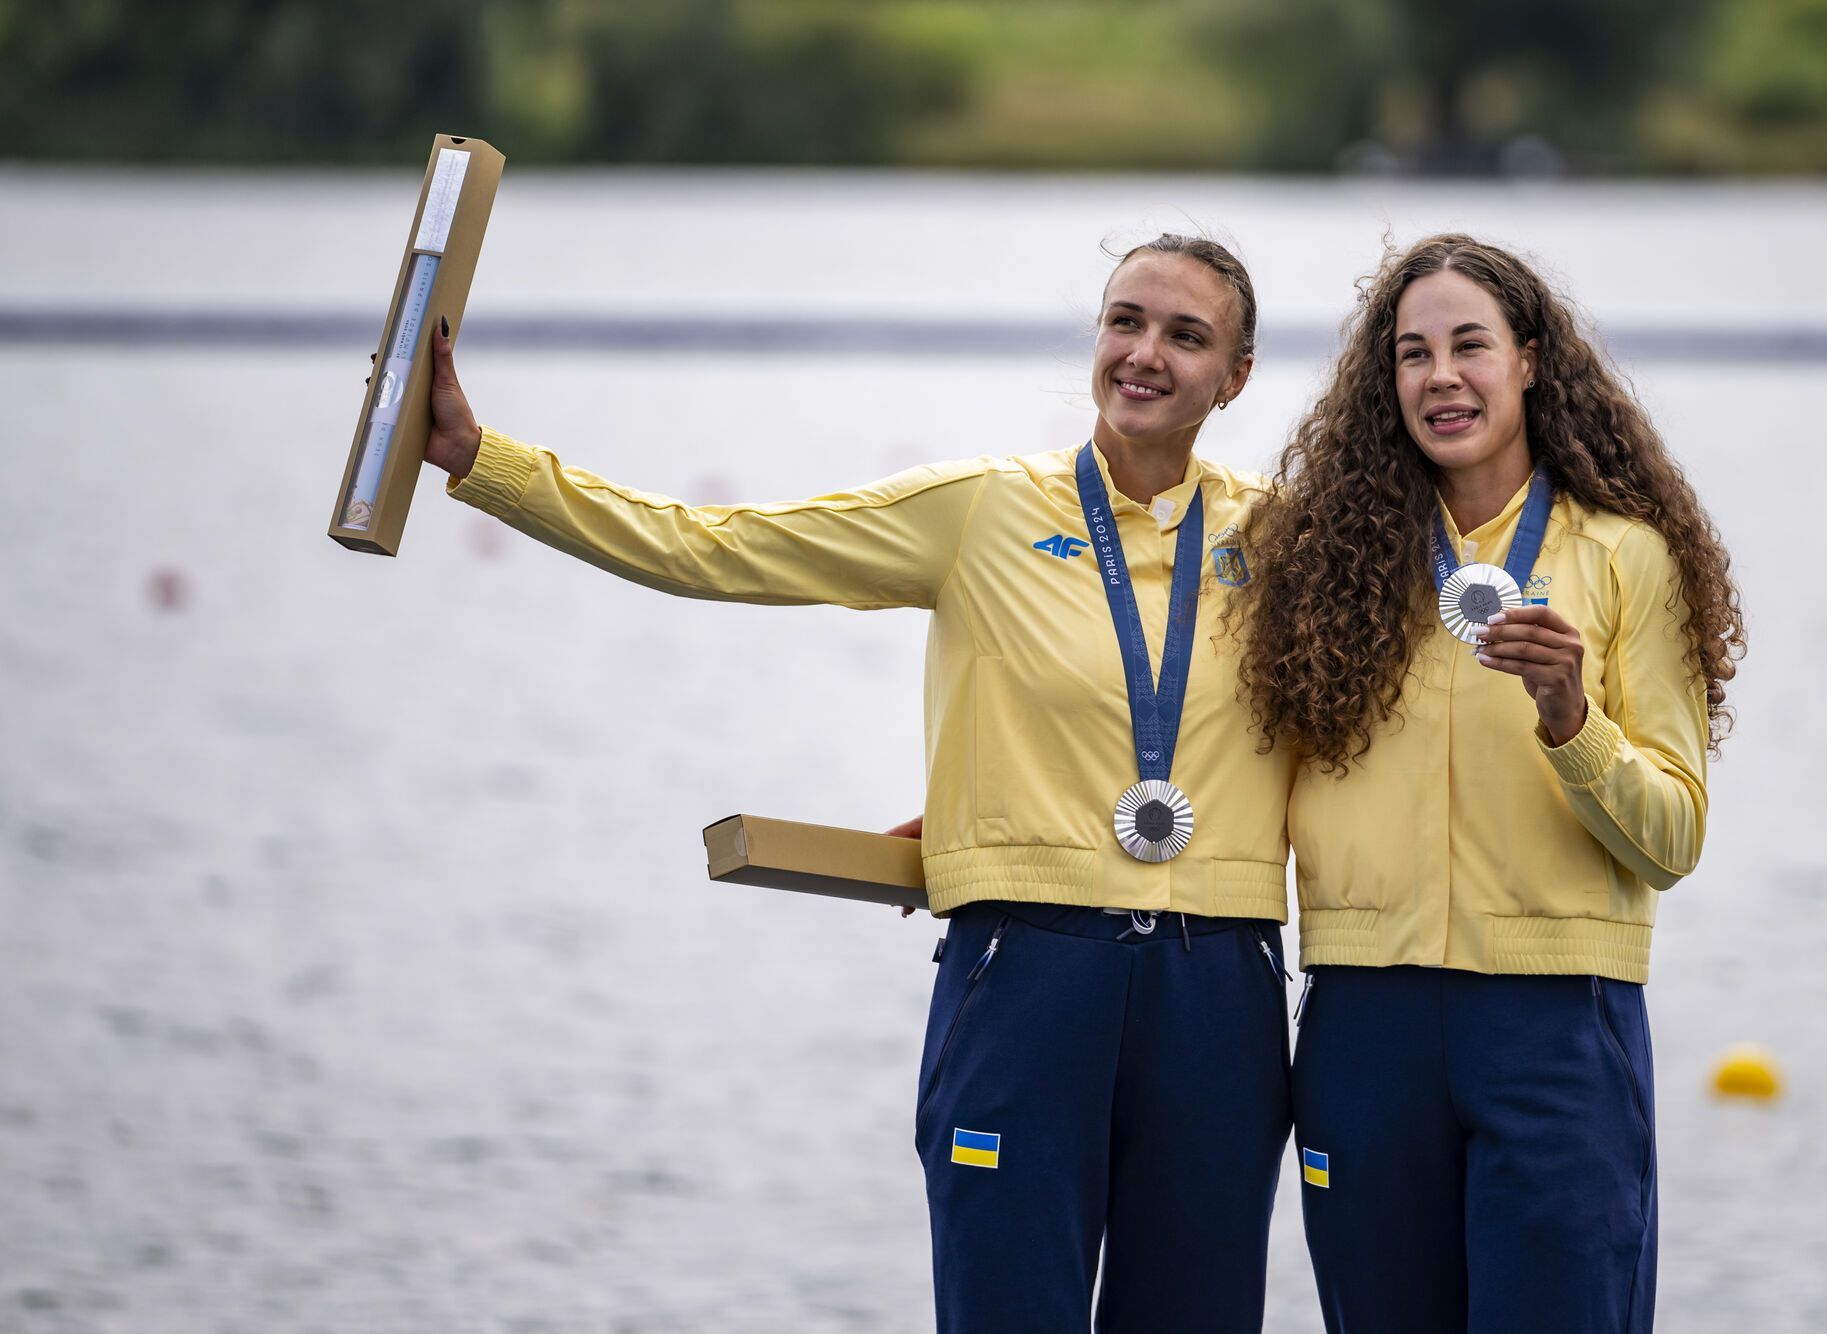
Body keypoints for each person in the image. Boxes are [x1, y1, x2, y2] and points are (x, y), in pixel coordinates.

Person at [420, 235, 1296, 1333]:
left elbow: (1371, 735)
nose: (1144, 353)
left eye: (1184, 334)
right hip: (1026, 973)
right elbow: (715, 547)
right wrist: (478, 459)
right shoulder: (979, 511)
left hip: (1214, 988)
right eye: (1124, 320)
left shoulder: (1287, 541)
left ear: (1237, 375)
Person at [1233, 234, 1745, 1334]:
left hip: (1556, 1025)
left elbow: (1670, 838)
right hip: (1363, 1026)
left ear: (1528, 362)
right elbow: (1209, 756)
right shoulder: (1327, 564)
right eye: (1411, 354)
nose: (1439, 376)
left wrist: (1572, 718)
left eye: (1468, 344)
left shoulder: (1624, 556)